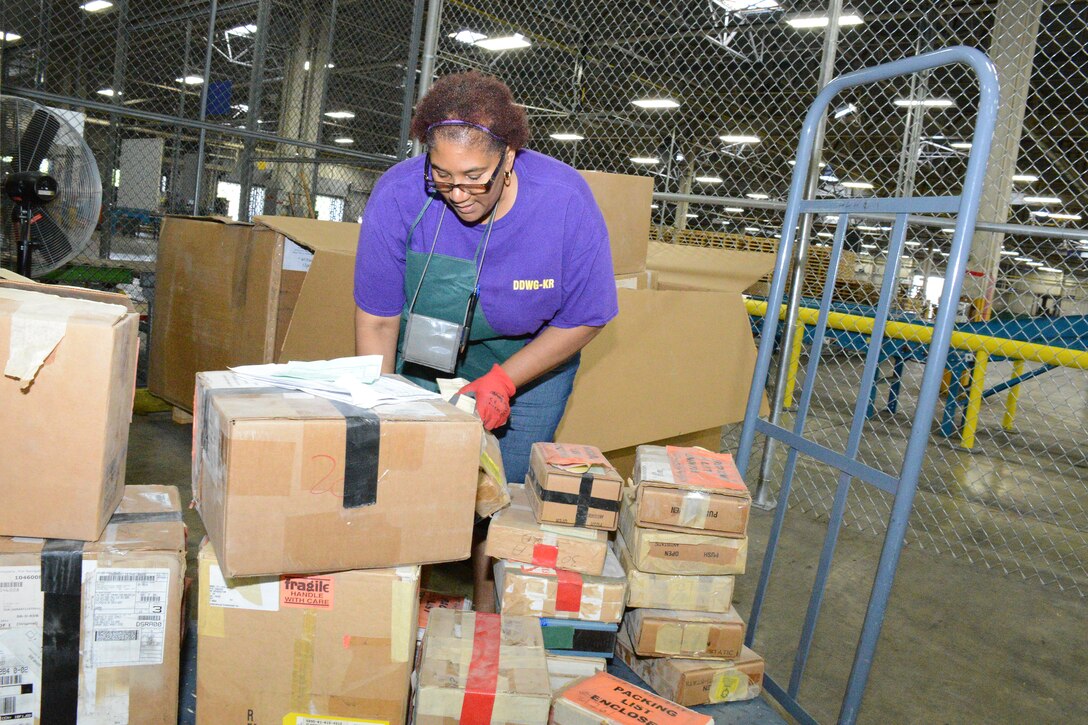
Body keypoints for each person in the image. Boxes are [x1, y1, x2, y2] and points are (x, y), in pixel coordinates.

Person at [353, 71, 618, 610]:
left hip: (528, 363)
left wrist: (503, 381)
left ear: (511, 157)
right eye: (442, 175)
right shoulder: (401, 196)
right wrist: (379, 409)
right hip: (422, 355)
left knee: (503, 498)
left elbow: (588, 314)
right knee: (402, 480)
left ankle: (487, 609)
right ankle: (390, 605)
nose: (458, 193)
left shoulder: (564, 202)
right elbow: (378, 320)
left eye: (475, 177)